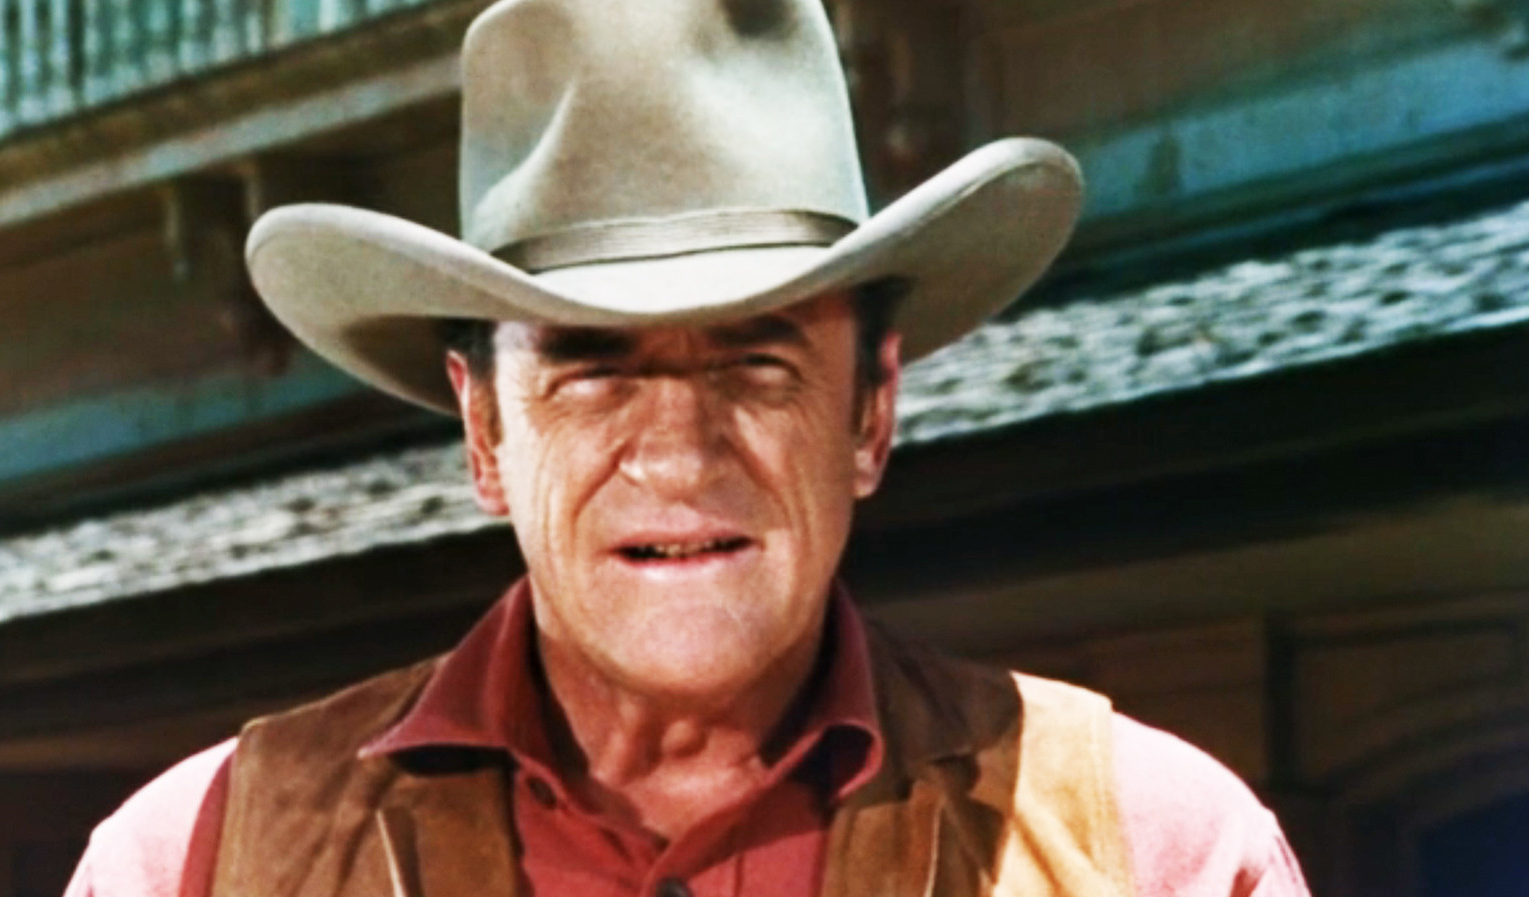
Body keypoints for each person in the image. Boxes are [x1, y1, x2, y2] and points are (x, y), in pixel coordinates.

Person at [66, 0, 1311, 894]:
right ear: (485, 430)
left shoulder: (1155, 853)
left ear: (869, 411)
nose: (677, 455)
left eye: (755, 361)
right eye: (591, 369)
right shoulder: (194, 862)